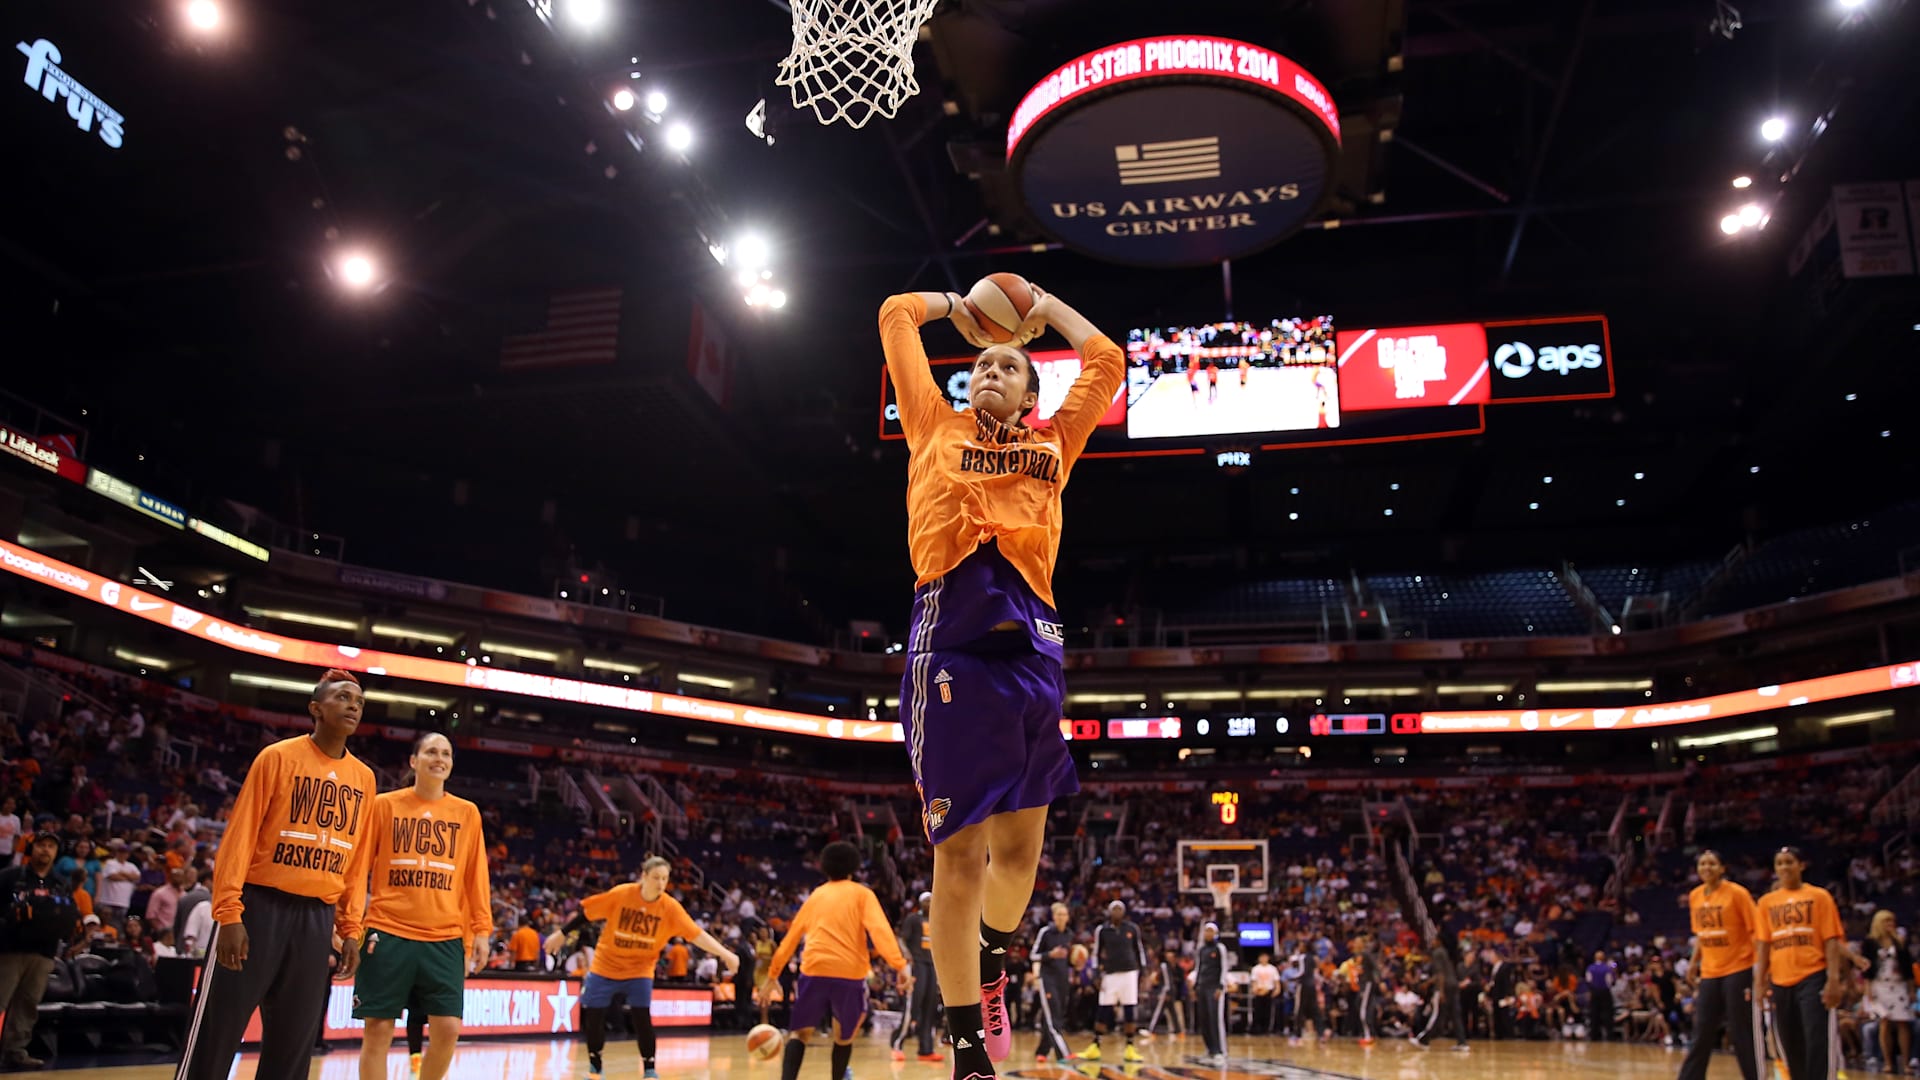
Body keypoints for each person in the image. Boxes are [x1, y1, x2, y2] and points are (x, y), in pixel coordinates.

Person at [879, 282, 1124, 1080]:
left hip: (1035, 657)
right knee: (959, 861)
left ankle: (991, 966)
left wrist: (1045, 306)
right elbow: (895, 314)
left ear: (1029, 392)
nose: (989, 370)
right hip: (949, 649)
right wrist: (958, 303)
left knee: (1021, 851)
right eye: (980, 364)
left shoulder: (1055, 443)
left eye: (1007, 366)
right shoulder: (932, 425)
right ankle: (965, 1057)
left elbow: (1107, 359)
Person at [175, 669, 377, 1080]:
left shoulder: (365, 779)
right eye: (342, 697)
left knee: (292, 1046)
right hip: (257, 907)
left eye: (358, 700)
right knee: (218, 1033)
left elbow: (356, 861)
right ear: (316, 709)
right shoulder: (277, 757)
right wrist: (229, 914)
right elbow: (239, 838)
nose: (353, 705)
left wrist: (351, 927)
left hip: (316, 918)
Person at [347, 733, 493, 1080]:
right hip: (387, 931)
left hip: (445, 937)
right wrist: (350, 925)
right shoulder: (385, 805)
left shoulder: (467, 813)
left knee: (448, 1029)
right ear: (414, 761)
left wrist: (483, 930)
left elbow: (477, 877)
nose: (438, 758)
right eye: (430, 751)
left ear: (452, 764)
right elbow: (358, 868)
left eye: (445, 753)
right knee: (378, 1032)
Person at [548, 856, 739, 1080]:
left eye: (665, 879)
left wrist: (725, 953)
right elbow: (587, 914)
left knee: (642, 1016)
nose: (660, 883)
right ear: (644, 876)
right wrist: (562, 933)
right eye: (656, 877)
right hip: (605, 964)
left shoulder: (670, 908)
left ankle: (649, 1070)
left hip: (640, 969)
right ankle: (595, 1065)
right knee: (594, 1015)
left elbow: (696, 935)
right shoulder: (621, 894)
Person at [754, 842, 909, 1080]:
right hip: (849, 974)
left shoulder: (816, 895)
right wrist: (899, 965)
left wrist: (773, 975)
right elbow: (880, 931)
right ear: (854, 868)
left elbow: (791, 937)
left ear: (824, 868)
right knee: (843, 1037)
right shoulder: (862, 894)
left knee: (799, 1034)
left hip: (814, 970)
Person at [1755, 846, 1846, 1080]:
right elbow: (1763, 944)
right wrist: (1759, 982)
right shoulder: (1766, 902)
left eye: (1789, 862)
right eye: (1780, 863)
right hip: (1780, 979)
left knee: (1816, 1040)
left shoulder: (1819, 896)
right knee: (1789, 1041)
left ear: (1801, 865)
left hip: (1813, 975)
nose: (1784, 867)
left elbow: (1831, 940)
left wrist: (1834, 979)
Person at [1678, 848, 1760, 1080]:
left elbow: (1756, 932)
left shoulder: (1737, 893)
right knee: (1701, 1030)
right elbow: (1702, 935)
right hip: (1710, 971)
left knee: (1740, 1030)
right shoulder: (1695, 896)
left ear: (1722, 868)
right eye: (1702, 864)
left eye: (1712, 864)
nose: (1707, 868)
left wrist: (1759, 967)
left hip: (1739, 968)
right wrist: (1694, 964)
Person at [0, 831, 80, 1069]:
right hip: (10, 950)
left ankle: (15, 1051)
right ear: (31, 849)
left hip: (44, 954)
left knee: (28, 1004)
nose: (45, 850)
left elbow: (69, 917)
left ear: (56, 853)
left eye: (51, 846)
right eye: (41, 845)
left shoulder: (61, 884)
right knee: (0, 1001)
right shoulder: (10, 877)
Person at [1082, 901, 1147, 1062]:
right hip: (1109, 974)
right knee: (1104, 1009)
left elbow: (1139, 949)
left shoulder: (1132, 928)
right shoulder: (1102, 930)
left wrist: (1143, 971)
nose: (1117, 911)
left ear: (1124, 912)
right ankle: (1095, 1046)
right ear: (1109, 912)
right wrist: (1096, 973)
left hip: (1130, 973)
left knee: (1129, 1008)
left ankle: (1130, 1047)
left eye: (1120, 909)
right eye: (1114, 909)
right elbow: (1096, 953)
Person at [891, 892, 942, 1063]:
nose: (929, 903)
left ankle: (926, 1050)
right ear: (920, 903)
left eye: (932, 901)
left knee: (930, 1006)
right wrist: (907, 956)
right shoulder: (913, 919)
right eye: (926, 901)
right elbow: (901, 940)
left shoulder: (937, 921)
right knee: (913, 1005)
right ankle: (897, 1044)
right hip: (916, 964)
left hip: (931, 964)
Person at [1861, 910, 1913, 1076]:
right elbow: (1867, 969)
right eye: (1887, 922)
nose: (1890, 925)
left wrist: (1912, 988)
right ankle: (1888, 1062)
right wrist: (1868, 989)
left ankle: (1906, 1063)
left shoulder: (1900, 942)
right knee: (1884, 1022)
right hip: (1879, 985)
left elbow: (1908, 967)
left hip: (1899, 985)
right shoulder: (1870, 943)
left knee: (1903, 1022)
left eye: (1892, 921)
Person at [1030, 902, 1075, 1064]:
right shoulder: (1046, 932)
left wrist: (1077, 962)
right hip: (1047, 979)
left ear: (1068, 917)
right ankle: (1063, 1052)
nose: (1062, 917)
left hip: (1062, 979)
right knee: (1052, 1016)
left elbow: (1069, 960)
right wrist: (1050, 954)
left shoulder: (1069, 934)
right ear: (1054, 916)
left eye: (1065, 914)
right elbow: (1033, 955)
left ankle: (1042, 1051)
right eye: (1059, 914)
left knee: (1054, 1016)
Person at [1412, 932, 1468, 1052]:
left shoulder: (1437, 953)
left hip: (1445, 987)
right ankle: (1462, 1043)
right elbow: (1443, 972)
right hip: (1453, 984)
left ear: (1438, 941)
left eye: (1433, 940)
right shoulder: (1444, 952)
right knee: (1455, 1015)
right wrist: (1428, 983)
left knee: (1436, 1014)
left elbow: (1440, 974)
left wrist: (1440, 991)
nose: (1432, 942)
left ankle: (1423, 1038)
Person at [1192, 923, 1232, 1065]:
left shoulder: (1220, 948)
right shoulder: (1201, 950)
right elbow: (1198, 967)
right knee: (1204, 1019)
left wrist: (1221, 986)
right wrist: (1196, 985)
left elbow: (1224, 968)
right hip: (1202, 987)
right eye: (1206, 931)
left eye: (1210, 931)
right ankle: (1210, 1049)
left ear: (1215, 933)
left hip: (1214, 987)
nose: (1207, 934)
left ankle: (1220, 1050)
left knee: (1215, 1019)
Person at [1146, 946, 1188, 1038]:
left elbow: (1168, 981)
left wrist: (1167, 992)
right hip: (1170, 990)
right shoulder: (1166, 966)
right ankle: (1179, 1032)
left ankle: (1151, 1030)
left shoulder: (1164, 966)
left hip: (1166, 991)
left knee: (1158, 1011)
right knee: (1172, 1012)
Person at [1586, 949, 1619, 1043]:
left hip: (1594, 992)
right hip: (1605, 992)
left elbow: (1589, 980)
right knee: (1607, 1013)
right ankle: (1609, 1035)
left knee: (1594, 1013)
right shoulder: (1607, 968)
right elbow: (1610, 981)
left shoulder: (1590, 968)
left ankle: (1594, 1035)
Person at [1248, 953, 1280, 1035]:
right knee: (1258, 1011)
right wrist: (1255, 989)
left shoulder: (1272, 969)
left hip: (1269, 991)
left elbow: (1276, 981)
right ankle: (1257, 1029)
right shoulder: (1255, 969)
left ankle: (1267, 1029)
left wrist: (1277, 989)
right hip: (1259, 991)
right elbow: (1253, 981)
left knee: (1268, 1011)